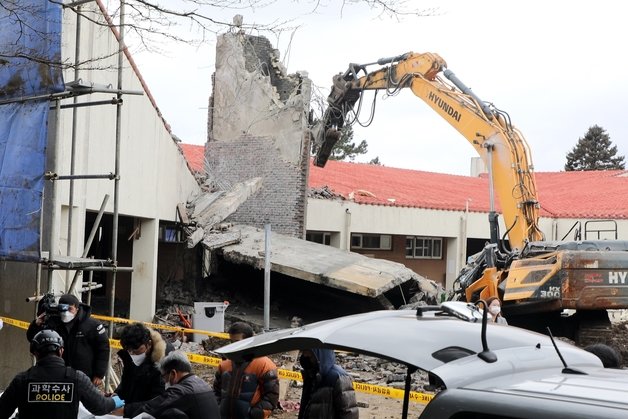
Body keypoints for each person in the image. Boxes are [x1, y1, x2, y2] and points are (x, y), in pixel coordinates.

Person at [0, 329, 123, 419]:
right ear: (61, 351)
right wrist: (115, 401)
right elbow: (100, 407)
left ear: (35, 353)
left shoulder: (22, 380)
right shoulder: (77, 378)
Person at [26, 293, 110, 386]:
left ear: (77, 309)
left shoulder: (92, 325)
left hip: (84, 377)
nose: (66, 312)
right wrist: (36, 324)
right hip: (58, 375)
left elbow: (103, 348)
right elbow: (33, 339)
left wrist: (99, 373)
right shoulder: (54, 322)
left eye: (70, 309)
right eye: (63, 308)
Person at [115, 351, 220, 418]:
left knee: (169, 414)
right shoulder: (201, 383)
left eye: (164, 377)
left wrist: (123, 411)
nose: (164, 381)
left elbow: (151, 407)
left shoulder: (181, 390)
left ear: (173, 373)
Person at [214, 322, 279, 419]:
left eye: (236, 342)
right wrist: (218, 408)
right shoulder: (225, 364)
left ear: (248, 341)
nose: (233, 345)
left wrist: (253, 414)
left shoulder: (264, 365)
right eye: (231, 342)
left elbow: (271, 397)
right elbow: (216, 391)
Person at [114, 322, 172, 403]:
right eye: (129, 351)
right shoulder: (129, 352)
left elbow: (157, 399)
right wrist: (117, 395)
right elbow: (126, 382)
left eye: (136, 351)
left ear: (149, 344)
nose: (132, 354)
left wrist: (127, 410)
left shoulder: (163, 360)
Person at [298, 348, 359, 419]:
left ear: (319, 351)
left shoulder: (338, 377)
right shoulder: (310, 374)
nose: (305, 354)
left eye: (308, 349)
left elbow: (349, 414)